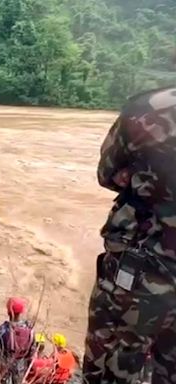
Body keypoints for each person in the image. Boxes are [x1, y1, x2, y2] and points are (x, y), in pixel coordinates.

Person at [83, 87, 176, 384]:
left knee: (112, 364)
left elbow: (108, 172)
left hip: (143, 266)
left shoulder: (149, 108)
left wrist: (142, 180)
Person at [0, 297, 35, 383]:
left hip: (5, 366)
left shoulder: (1, 330)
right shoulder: (30, 331)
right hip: (20, 367)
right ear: (21, 312)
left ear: (8, 311)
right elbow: (31, 353)